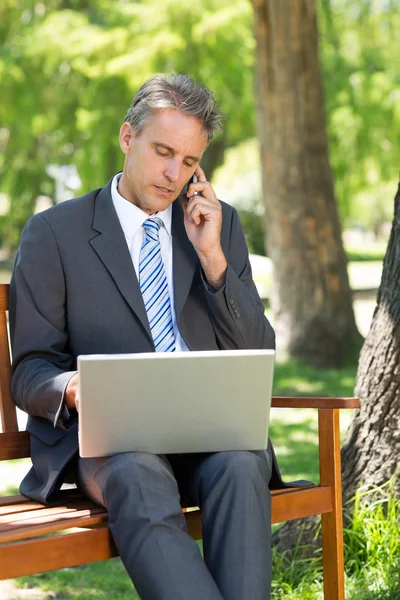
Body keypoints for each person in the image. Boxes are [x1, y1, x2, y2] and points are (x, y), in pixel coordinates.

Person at [9, 73, 276, 600]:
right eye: (163, 151)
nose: (174, 174)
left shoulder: (217, 226)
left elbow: (257, 350)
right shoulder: (54, 234)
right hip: (114, 447)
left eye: (191, 161)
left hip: (205, 436)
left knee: (246, 462)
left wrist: (214, 260)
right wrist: (73, 388)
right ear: (127, 138)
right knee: (136, 471)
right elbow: (30, 370)